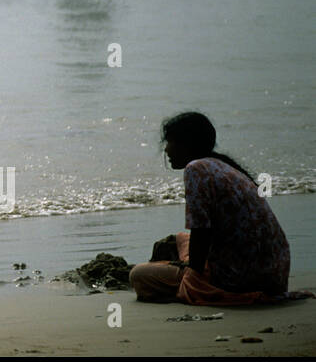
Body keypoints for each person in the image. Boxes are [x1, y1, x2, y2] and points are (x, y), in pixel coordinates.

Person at [129, 112, 306, 306]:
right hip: (273, 276)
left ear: (186, 144)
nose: (166, 150)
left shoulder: (196, 169)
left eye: (169, 142)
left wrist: (191, 270)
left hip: (238, 279)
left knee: (138, 275)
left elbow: (201, 232)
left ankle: (184, 284)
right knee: (180, 239)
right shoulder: (223, 166)